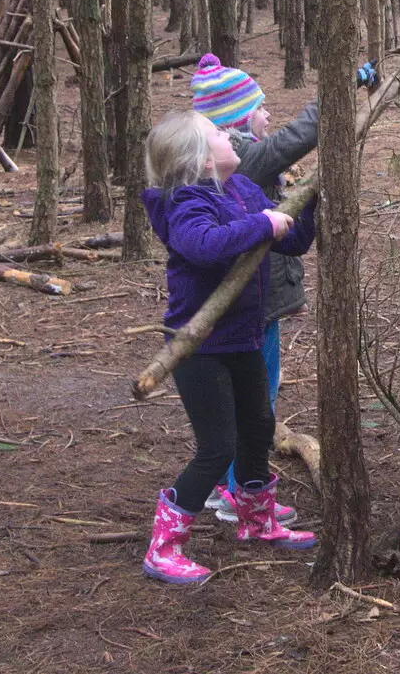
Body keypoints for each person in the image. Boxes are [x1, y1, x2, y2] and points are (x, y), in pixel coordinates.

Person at [187, 54, 377, 523]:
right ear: (233, 122)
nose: (268, 115)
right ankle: (237, 495)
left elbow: (291, 237)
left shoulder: (235, 165)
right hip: (252, 309)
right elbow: (298, 136)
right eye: (260, 108)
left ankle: (221, 487)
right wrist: (344, 84)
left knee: (243, 400)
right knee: (258, 399)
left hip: (249, 305)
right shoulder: (245, 160)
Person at [137, 110, 319, 586]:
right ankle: (164, 546)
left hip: (243, 337)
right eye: (218, 133)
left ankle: (257, 522)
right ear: (198, 159)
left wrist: (311, 199)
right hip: (199, 349)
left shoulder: (242, 189)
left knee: (258, 427)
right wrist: (262, 223)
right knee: (217, 447)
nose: (230, 134)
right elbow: (205, 246)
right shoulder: (186, 203)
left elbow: (293, 240)